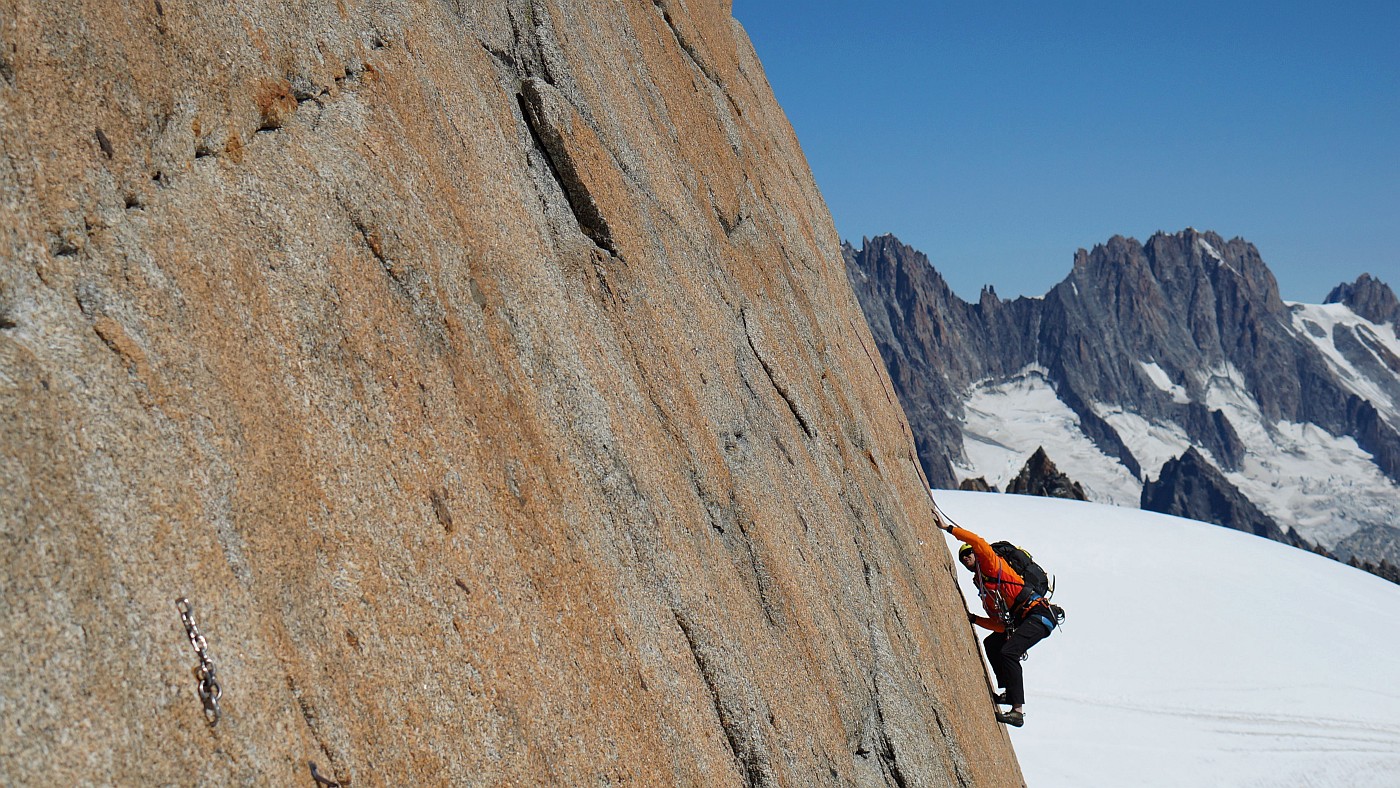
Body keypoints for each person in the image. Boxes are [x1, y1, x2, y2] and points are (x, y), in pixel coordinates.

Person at [941, 520, 1058, 727]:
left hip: (1039, 614)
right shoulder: (984, 586)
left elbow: (977, 541)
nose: (966, 557)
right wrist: (976, 620)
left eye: (968, 553)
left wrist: (949, 528)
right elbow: (1000, 625)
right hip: (1025, 618)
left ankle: (1017, 711)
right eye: (962, 557)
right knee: (993, 644)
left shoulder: (990, 564)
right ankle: (1008, 692)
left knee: (1009, 652)